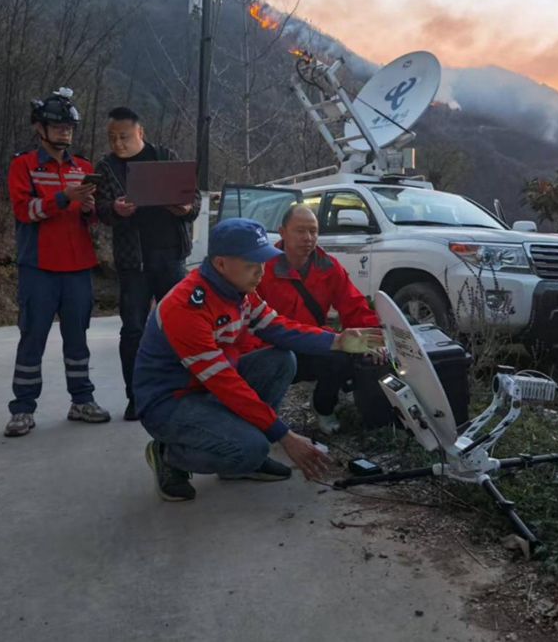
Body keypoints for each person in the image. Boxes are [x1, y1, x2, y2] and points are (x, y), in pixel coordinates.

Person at [133, 218, 383, 502]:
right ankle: (168, 455)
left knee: (281, 360)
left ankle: (240, 462)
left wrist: (336, 341)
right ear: (221, 264)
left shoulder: (239, 293)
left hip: (205, 387)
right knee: (251, 449)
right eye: (252, 265)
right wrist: (283, 435)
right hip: (171, 402)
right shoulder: (187, 307)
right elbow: (224, 383)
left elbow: (279, 328)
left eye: (263, 263)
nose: (261, 272)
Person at [4, 88, 111, 437]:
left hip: (78, 266)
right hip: (38, 266)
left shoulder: (84, 167)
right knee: (32, 337)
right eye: (58, 126)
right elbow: (25, 211)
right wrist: (64, 197)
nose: (65, 132)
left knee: (78, 338)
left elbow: (90, 219)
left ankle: (82, 400)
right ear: (40, 127)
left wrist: (88, 209)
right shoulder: (23, 165)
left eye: (69, 127)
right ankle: (22, 409)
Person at [95, 107, 201, 421]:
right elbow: (101, 210)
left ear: (140, 132)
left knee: (178, 327)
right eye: (112, 137)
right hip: (133, 262)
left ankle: (179, 392)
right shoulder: (107, 167)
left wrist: (184, 209)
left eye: (123, 136)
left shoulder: (165, 157)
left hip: (171, 257)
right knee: (133, 331)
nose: (117, 143)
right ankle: (136, 397)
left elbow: (193, 201)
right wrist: (115, 210)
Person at [251, 204, 381, 435]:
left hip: (312, 342)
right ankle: (260, 415)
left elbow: (354, 306)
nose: (308, 238)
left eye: (313, 231)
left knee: (343, 354)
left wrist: (373, 339)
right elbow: (246, 316)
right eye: (300, 231)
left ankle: (324, 407)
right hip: (271, 347)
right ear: (282, 232)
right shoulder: (263, 267)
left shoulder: (328, 266)